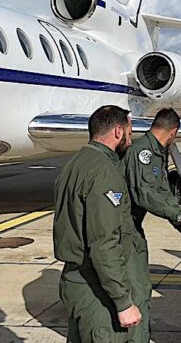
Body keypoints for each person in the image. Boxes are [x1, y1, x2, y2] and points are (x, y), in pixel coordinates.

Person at [53, 105, 142, 343]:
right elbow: (104, 243)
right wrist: (123, 302)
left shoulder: (74, 165)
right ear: (117, 132)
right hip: (96, 289)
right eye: (129, 133)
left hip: (74, 280)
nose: (130, 140)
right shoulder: (104, 173)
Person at [123, 107, 181, 343]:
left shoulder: (156, 151)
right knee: (138, 291)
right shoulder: (143, 152)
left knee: (136, 289)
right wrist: (179, 217)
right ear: (174, 132)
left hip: (131, 229)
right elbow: (144, 194)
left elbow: (162, 192)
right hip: (122, 230)